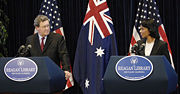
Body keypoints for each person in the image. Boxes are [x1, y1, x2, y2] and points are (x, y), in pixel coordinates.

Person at [25, 15, 71, 80]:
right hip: (35, 76)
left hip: (53, 75)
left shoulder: (58, 38)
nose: (47, 28)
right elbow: (26, 58)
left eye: (48, 26)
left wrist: (66, 70)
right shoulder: (30, 40)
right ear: (37, 28)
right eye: (44, 26)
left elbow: (63, 54)